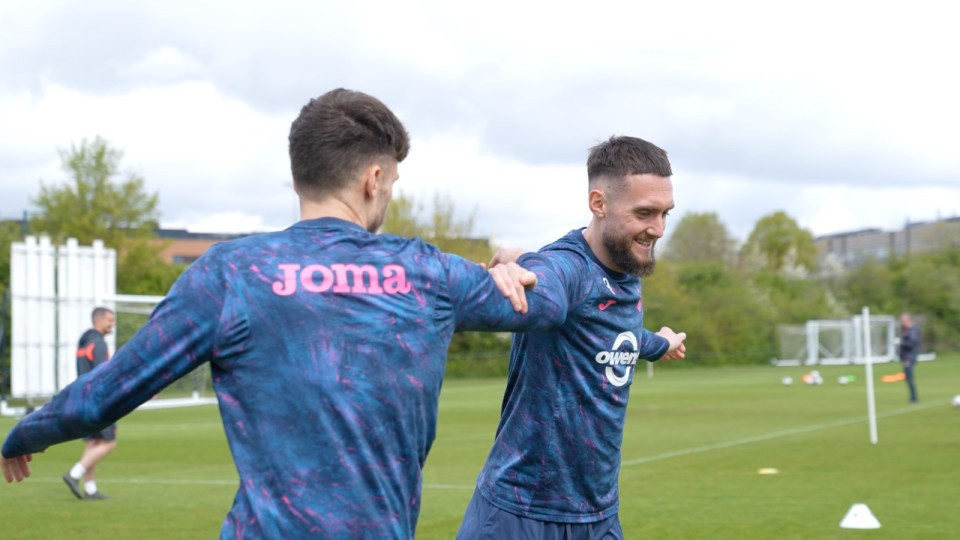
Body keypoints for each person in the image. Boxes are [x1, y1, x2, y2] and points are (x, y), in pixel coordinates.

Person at [2, 88, 566, 539]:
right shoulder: (428, 273)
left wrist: (25, 433)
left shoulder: (232, 273)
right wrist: (524, 261)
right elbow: (551, 303)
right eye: (392, 181)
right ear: (374, 178)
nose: (388, 194)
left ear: (299, 175)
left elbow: (110, 389)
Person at [457, 135, 687, 539]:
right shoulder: (567, 268)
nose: (659, 229)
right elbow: (547, 291)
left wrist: (661, 343)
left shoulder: (625, 269)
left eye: (666, 213)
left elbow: (621, 339)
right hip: (521, 514)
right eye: (646, 213)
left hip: (598, 515)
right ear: (598, 203)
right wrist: (523, 269)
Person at [61, 307, 117, 500]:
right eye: (110, 320)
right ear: (98, 320)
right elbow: (102, 375)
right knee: (109, 443)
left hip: (82, 399)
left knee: (93, 442)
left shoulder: (84, 343)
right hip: (98, 401)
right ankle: (74, 474)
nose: (112, 324)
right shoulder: (99, 344)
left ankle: (90, 488)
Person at [899, 312, 920, 403]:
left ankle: (914, 397)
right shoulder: (905, 330)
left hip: (910, 357)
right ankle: (913, 397)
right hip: (906, 357)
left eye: (903, 321)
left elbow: (912, 343)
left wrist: (901, 343)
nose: (901, 323)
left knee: (909, 377)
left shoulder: (912, 330)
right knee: (907, 377)